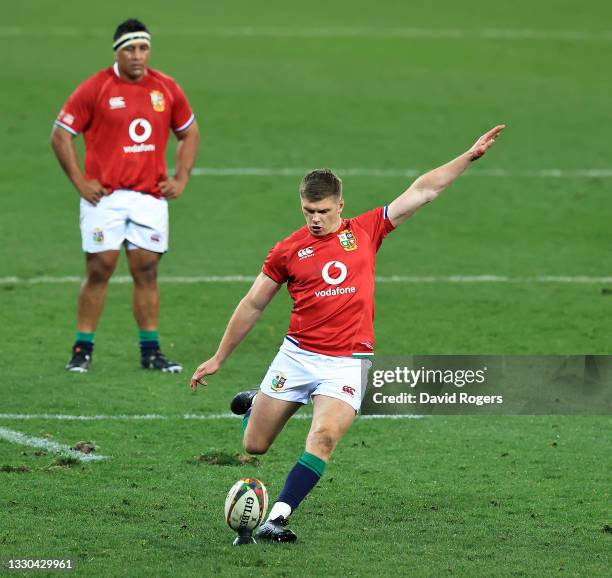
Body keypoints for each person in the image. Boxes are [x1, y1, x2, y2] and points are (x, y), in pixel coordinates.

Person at [191, 125, 505, 542]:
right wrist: (218, 357)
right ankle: (256, 402)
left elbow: (423, 191)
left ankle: (278, 518)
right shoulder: (287, 250)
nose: (316, 219)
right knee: (255, 446)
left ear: (341, 205)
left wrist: (469, 156)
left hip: (347, 363)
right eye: (308, 211)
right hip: (297, 356)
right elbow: (253, 304)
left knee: (322, 437)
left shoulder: (367, 231)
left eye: (323, 211)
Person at [51, 19, 199, 373]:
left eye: (143, 48)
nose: (138, 56)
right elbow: (60, 134)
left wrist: (181, 177)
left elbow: (189, 132)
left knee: (146, 270)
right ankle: (81, 349)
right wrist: (80, 183)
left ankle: (151, 351)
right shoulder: (96, 88)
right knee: (99, 267)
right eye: (130, 49)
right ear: (117, 51)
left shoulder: (166, 88)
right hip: (105, 198)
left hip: (149, 197)